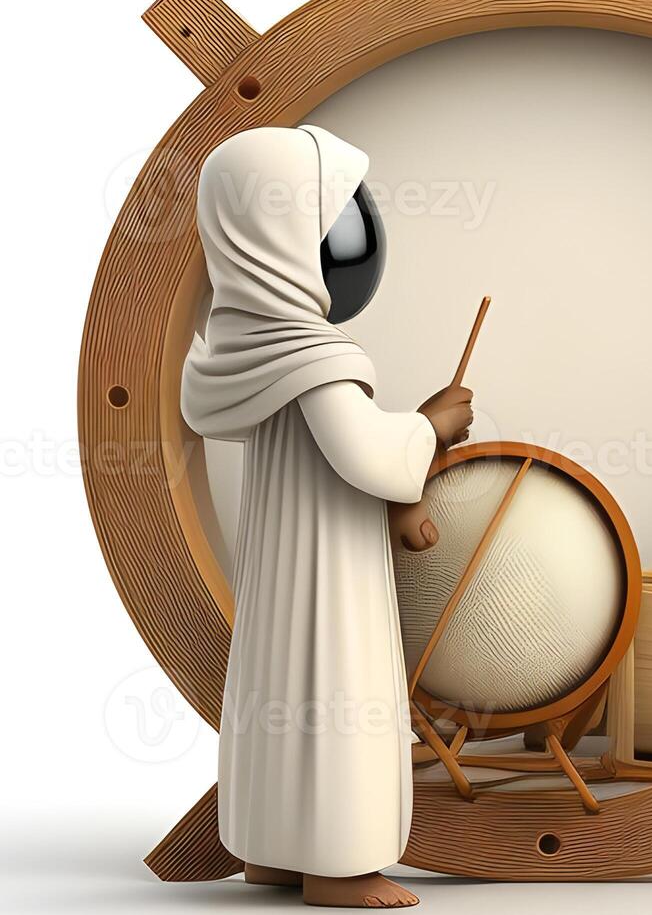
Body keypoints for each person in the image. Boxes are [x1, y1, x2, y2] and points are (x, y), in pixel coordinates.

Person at [182, 124, 471, 908]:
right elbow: (369, 457)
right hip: (328, 569)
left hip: (282, 560)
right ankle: (337, 863)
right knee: (336, 682)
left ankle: (274, 847)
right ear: (278, 241)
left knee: (281, 683)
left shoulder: (245, 348)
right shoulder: (317, 358)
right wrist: (430, 426)